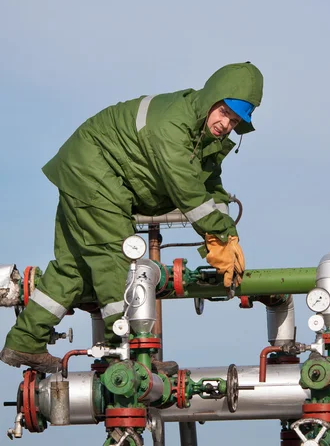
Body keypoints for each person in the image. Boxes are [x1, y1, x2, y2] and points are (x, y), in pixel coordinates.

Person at [0, 62, 263, 373]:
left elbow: (209, 186)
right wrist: (219, 235)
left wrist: (227, 233)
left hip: (86, 171)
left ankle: (25, 342)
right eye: (224, 112)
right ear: (212, 99)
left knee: (74, 268)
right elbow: (187, 190)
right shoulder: (174, 125)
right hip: (94, 173)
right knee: (118, 261)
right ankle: (126, 352)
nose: (226, 124)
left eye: (234, 121)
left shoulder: (203, 136)